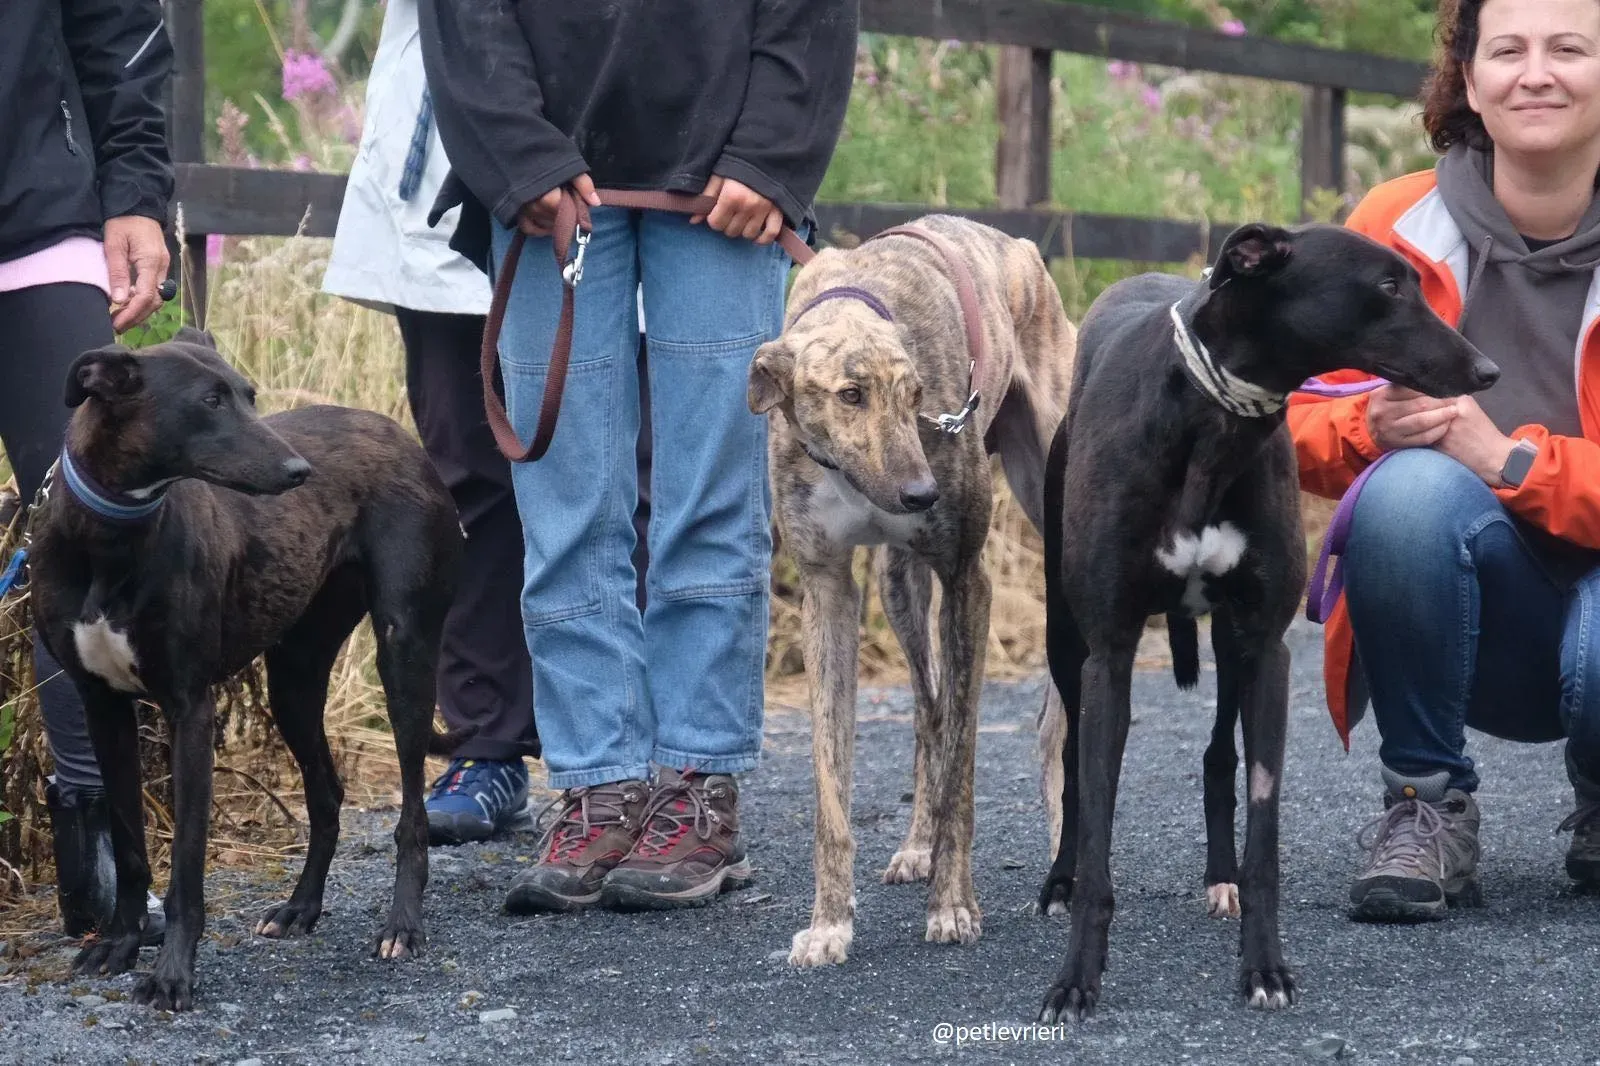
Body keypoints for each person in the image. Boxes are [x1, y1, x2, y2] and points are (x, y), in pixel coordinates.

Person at [415, 0, 858, 912]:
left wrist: (769, 153)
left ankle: (698, 783)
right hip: (551, 168)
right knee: (566, 502)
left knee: (709, 495)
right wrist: (517, 151)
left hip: (725, 178)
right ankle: (597, 784)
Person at [1291, 0, 1600, 922]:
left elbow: (1504, 461)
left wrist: (1508, 461)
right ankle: (1425, 804)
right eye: (1506, 50)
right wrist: (1368, 433)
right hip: (1478, 618)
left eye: (1570, 49)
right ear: (1470, 79)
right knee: (1408, 491)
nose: (1535, 73)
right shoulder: (1395, 223)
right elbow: (1288, 421)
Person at [322, 0, 659, 846]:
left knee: (632, 475)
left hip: (633, 153)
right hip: (454, 167)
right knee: (466, 477)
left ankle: (638, 751)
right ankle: (487, 741)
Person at [0, 0, 173, 937]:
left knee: (89, 526)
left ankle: (103, 852)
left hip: (35, 215)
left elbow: (121, 28)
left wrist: (137, 190)